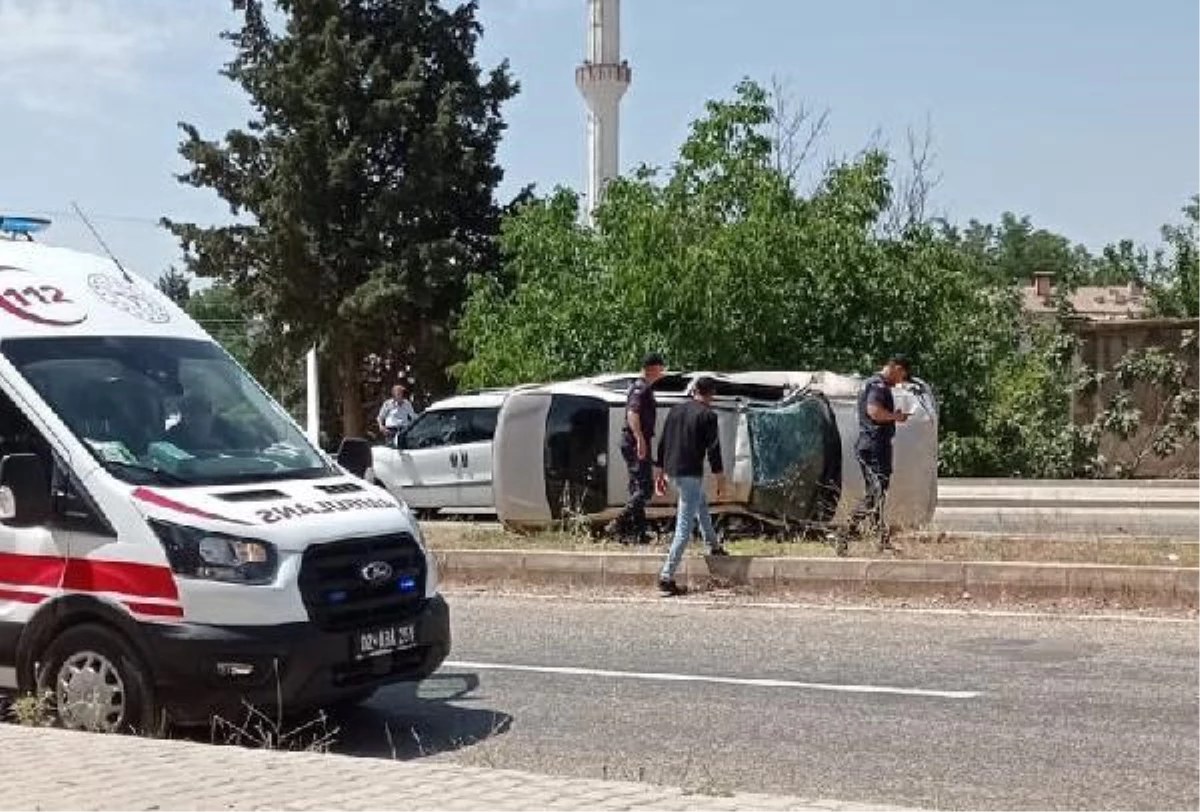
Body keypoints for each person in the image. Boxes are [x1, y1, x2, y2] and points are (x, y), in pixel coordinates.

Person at [654, 376, 728, 596]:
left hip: (672, 470)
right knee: (684, 527)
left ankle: (713, 545)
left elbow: (663, 441)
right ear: (711, 394)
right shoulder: (708, 416)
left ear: (695, 390)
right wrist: (720, 477)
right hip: (690, 472)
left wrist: (659, 469)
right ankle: (666, 576)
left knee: (700, 504)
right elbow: (714, 450)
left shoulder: (676, 410)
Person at [843, 354, 912, 554]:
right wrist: (896, 417)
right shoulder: (878, 386)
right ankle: (844, 533)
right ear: (896, 368)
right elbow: (874, 412)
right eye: (902, 376)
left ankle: (881, 540)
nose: (901, 381)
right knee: (875, 493)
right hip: (875, 445)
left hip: (871, 444)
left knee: (877, 493)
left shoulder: (871, 383)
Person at [607, 352, 667, 544]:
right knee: (645, 488)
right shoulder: (640, 388)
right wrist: (639, 438)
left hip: (635, 440)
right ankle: (618, 522)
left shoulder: (643, 387)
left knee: (637, 487)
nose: (662, 372)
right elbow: (633, 413)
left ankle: (639, 533)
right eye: (660, 368)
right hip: (635, 442)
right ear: (653, 368)